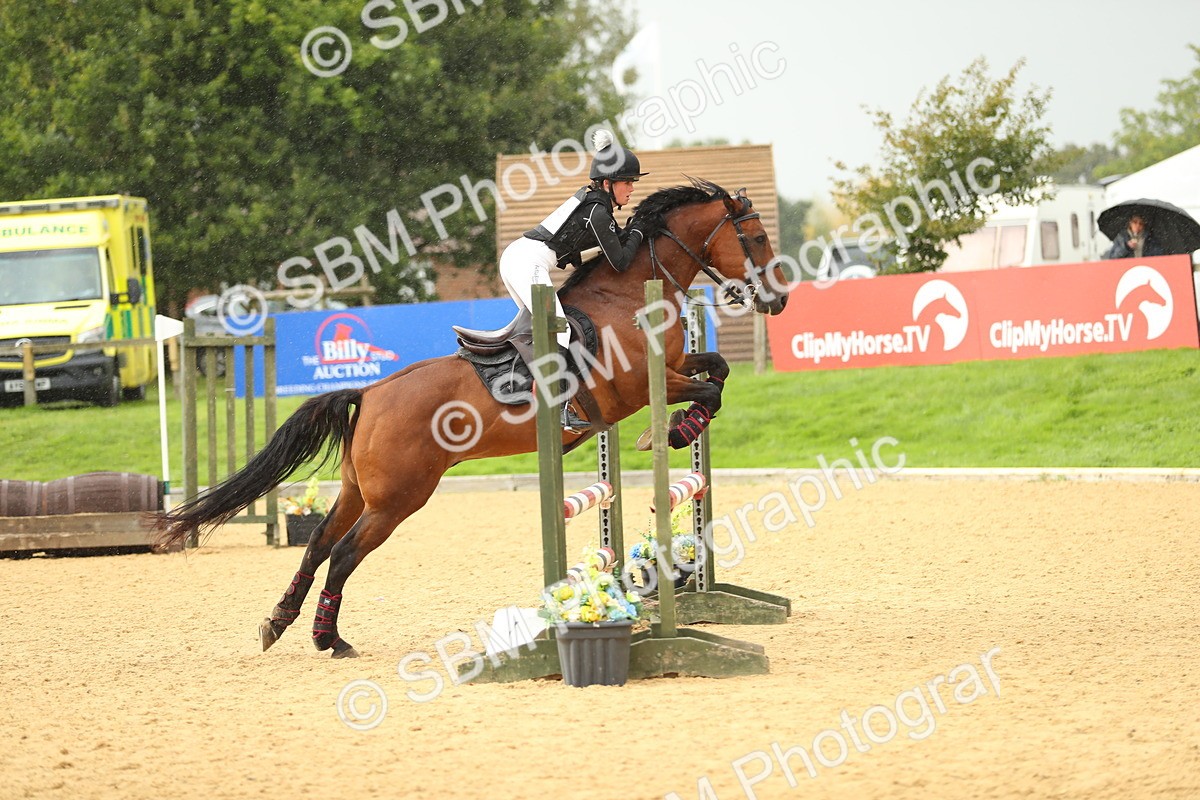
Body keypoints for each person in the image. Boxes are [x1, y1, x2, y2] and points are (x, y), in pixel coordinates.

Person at [498, 130, 650, 430]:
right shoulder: (597, 212)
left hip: (519, 259)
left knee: (538, 332)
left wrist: (630, 233)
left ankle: (522, 391)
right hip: (527, 263)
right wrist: (638, 232)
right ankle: (556, 406)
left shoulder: (596, 206)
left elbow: (602, 251)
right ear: (608, 184)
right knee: (558, 329)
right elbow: (619, 262)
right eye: (628, 182)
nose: (632, 188)